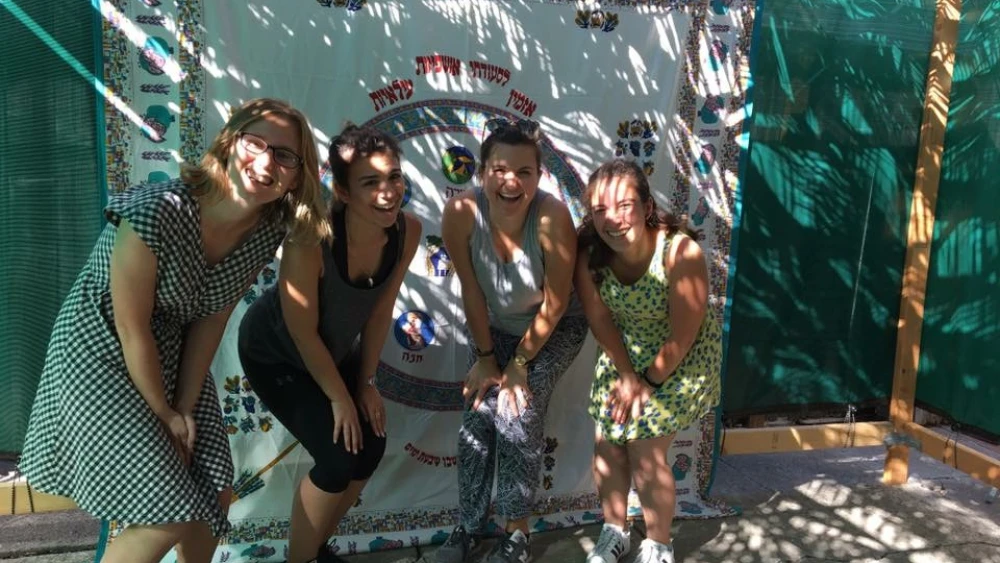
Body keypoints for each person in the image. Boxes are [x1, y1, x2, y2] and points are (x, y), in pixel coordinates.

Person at [18, 98, 329, 563]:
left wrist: (184, 407)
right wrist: (165, 415)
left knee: (211, 489)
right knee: (167, 515)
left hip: (169, 345)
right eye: (256, 143)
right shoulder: (156, 208)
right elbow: (130, 325)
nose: (267, 162)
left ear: (298, 174)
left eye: (285, 155)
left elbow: (213, 317)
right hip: (96, 346)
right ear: (228, 145)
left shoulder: (267, 229)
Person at [238, 125, 421, 563]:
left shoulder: (407, 232)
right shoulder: (310, 238)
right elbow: (301, 332)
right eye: (370, 182)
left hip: (332, 349)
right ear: (341, 189)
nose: (388, 191)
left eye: (393, 177)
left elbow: (379, 311)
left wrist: (366, 383)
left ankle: (316, 547)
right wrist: (340, 397)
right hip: (275, 351)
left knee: (370, 446)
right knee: (338, 456)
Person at [436, 119, 588, 563]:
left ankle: (517, 534)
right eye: (500, 169)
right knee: (476, 416)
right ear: (481, 173)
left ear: (539, 177)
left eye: (524, 172)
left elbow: (557, 303)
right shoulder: (461, 214)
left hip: (555, 327)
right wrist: (485, 359)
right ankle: (468, 526)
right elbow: (470, 289)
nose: (511, 181)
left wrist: (519, 364)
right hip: (494, 327)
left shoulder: (551, 216)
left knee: (514, 414)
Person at [574, 160, 722, 563]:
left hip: (682, 359)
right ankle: (613, 531)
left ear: (646, 206)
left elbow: (684, 334)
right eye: (601, 210)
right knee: (607, 438)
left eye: (624, 205)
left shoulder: (680, 251)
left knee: (642, 444)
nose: (614, 219)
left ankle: (658, 545)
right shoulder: (588, 253)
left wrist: (647, 383)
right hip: (626, 353)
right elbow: (599, 317)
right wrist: (625, 374)